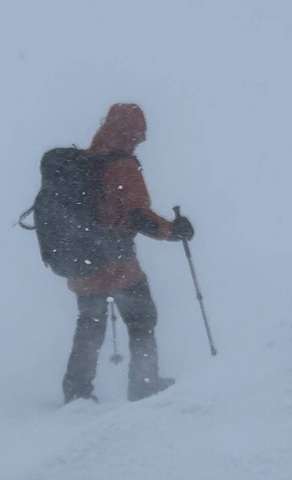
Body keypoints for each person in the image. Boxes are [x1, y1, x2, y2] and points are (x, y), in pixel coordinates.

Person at [54, 103, 192, 403]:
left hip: (81, 263)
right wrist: (174, 231)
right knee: (142, 319)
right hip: (117, 263)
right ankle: (144, 383)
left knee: (90, 325)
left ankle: (77, 393)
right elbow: (139, 217)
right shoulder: (124, 166)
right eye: (140, 134)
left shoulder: (85, 161)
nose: (142, 139)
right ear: (133, 132)